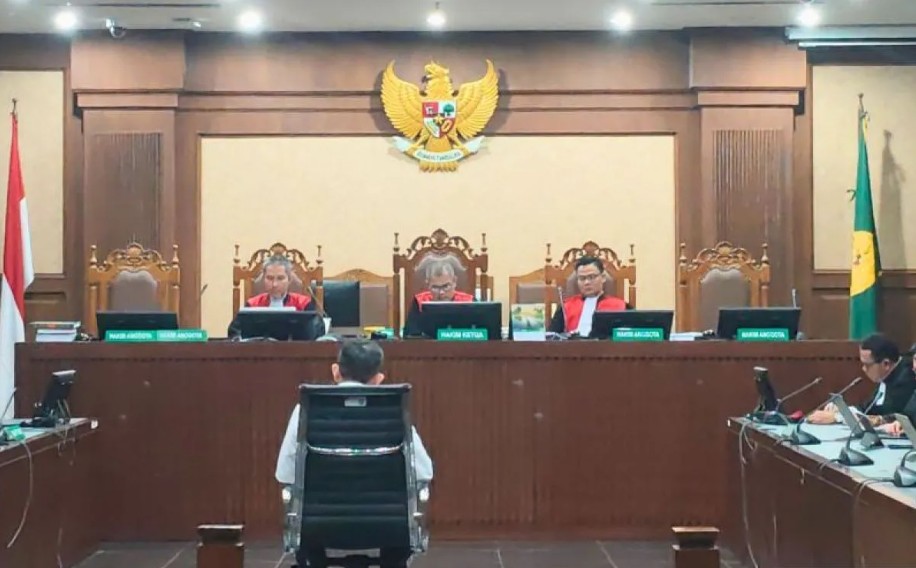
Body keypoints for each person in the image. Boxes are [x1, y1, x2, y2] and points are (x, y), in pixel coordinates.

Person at [275, 339, 433, 568]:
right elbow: (424, 472)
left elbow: (285, 473)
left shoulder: (307, 411)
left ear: (336, 371)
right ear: (379, 379)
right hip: (389, 527)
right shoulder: (392, 410)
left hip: (317, 526)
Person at [808, 334, 916, 426]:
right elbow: (867, 408)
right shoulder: (887, 374)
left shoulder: (906, 377)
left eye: (867, 365)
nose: (863, 369)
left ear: (886, 364)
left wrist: (839, 417)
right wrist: (843, 410)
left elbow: (889, 416)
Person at [227, 255, 324, 338]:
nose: (274, 284)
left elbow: (317, 331)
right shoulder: (253, 304)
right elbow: (234, 332)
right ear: (263, 279)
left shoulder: (303, 304)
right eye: (270, 278)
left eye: (280, 278)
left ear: (289, 280)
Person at [548, 256, 627, 336]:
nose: (587, 282)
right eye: (582, 278)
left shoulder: (621, 306)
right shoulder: (565, 307)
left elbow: (629, 335)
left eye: (591, 277)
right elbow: (552, 336)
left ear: (603, 277)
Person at [403, 257, 474, 337]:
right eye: (435, 287)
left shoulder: (469, 302)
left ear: (454, 281)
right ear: (428, 284)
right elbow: (410, 335)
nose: (441, 292)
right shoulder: (419, 302)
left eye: (446, 286)